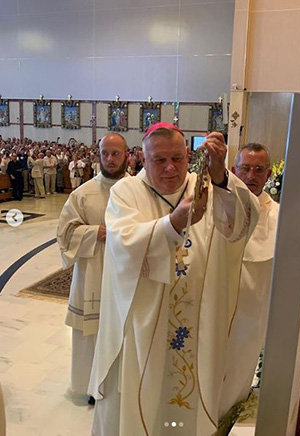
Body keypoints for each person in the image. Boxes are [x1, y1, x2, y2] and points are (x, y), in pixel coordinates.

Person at [89, 123, 260, 436]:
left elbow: (241, 224)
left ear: (187, 156)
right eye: (159, 160)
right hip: (144, 324)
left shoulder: (207, 184)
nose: (170, 168)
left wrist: (221, 174)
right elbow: (122, 243)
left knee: (186, 400)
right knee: (143, 397)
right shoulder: (126, 192)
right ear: (142, 157)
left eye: (178, 159)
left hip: (198, 322)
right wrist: (172, 223)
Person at [57, 133, 129, 404]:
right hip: (93, 275)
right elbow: (64, 233)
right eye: (106, 153)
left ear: (126, 155)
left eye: (116, 153)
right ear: (98, 155)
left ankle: (120, 386)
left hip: (127, 274)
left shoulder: (139, 190)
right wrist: (94, 232)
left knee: (124, 331)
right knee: (91, 335)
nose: (110, 159)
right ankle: (89, 386)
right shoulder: (82, 193)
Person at [217, 143, 279, 408]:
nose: (251, 176)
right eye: (245, 168)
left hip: (251, 312)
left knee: (239, 368)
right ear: (234, 170)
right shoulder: (215, 206)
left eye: (258, 170)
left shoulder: (281, 215)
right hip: (215, 303)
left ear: (268, 175)